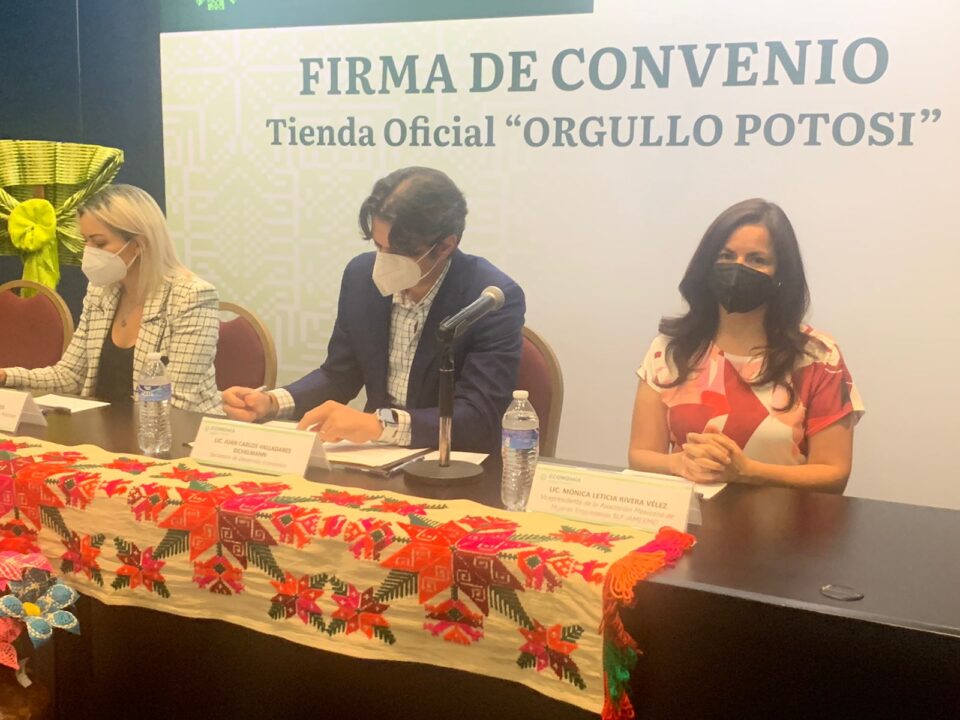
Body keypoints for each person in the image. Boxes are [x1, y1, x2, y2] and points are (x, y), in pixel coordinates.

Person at [222, 167, 525, 453]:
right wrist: (272, 402)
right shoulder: (361, 277)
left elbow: (478, 416)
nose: (383, 262)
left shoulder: (490, 298)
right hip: (375, 457)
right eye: (379, 247)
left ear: (445, 246)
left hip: (451, 462)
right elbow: (339, 375)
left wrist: (380, 424)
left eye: (398, 252)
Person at [628, 198, 863, 492]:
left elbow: (834, 473)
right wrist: (679, 464)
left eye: (756, 260)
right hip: (688, 517)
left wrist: (748, 472)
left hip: (784, 520)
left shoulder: (819, 357)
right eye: (726, 256)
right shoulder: (670, 350)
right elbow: (641, 456)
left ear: (781, 275)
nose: (737, 269)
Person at [0, 184, 221, 413]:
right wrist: (6, 376)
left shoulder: (192, 297)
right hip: (103, 430)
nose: (88, 251)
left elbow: (177, 402)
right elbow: (70, 375)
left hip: (171, 431)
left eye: (99, 243)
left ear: (139, 244)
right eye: (85, 241)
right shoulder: (99, 291)